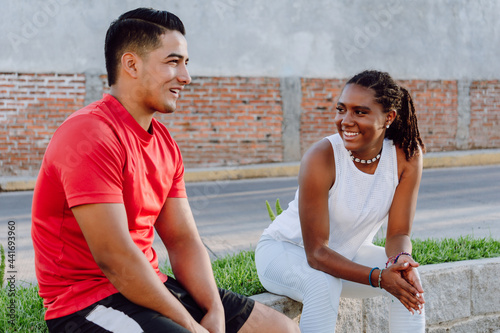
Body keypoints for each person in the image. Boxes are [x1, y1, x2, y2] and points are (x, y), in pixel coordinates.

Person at [31, 7, 299, 333]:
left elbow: (183, 240)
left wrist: (213, 308)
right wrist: (189, 324)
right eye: (173, 62)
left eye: (186, 63)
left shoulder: (164, 143)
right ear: (131, 64)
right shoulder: (89, 135)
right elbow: (115, 259)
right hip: (88, 302)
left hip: (151, 285)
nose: (186, 77)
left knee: (281, 330)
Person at [255, 70, 427, 332]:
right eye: (341, 109)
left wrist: (400, 260)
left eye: (360, 112)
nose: (346, 121)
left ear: (389, 117)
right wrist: (379, 277)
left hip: (346, 256)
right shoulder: (322, 157)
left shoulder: (407, 156)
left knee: (408, 279)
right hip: (285, 253)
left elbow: (399, 232)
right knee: (323, 284)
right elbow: (316, 254)